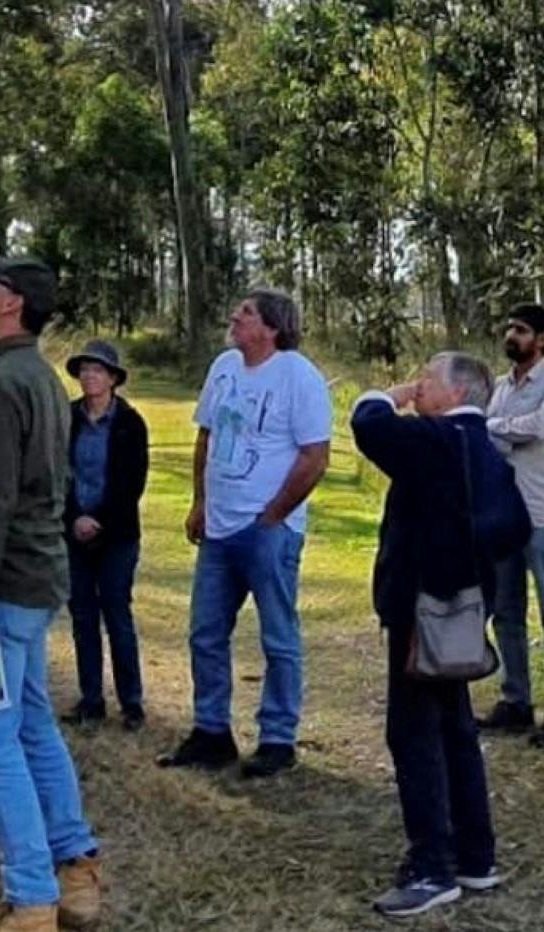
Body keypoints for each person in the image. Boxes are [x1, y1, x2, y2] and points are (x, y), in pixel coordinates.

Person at [0, 252, 101, 932]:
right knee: (30, 724)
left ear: (9, 304)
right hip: (34, 581)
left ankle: (31, 898)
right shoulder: (31, 375)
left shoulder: (3, 385)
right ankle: (76, 870)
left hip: (1, 588)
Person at [351, 352, 509, 919]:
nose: (420, 387)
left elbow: (367, 423)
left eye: (428, 379)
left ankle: (432, 867)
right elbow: (511, 527)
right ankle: (475, 855)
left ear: (458, 391)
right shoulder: (487, 450)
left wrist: (389, 394)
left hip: (422, 611)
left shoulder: (441, 440)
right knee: (455, 729)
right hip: (463, 613)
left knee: (414, 733)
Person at [158, 289, 332, 780]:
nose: (235, 317)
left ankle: (278, 738)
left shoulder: (299, 376)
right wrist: (199, 501)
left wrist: (274, 514)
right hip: (219, 527)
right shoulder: (224, 366)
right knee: (205, 633)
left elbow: (315, 457)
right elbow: (207, 436)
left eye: (247, 313)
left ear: (273, 328)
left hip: (268, 531)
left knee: (278, 637)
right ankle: (212, 731)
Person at [483, 304, 544, 745]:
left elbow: (538, 428)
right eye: (509, 327)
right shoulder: (501, 387)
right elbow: (494, 438)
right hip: (505, 514)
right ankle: (516, 701)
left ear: (541, 340)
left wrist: (495, 427)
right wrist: (502, 428)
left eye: (520, 330)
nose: (512, 335)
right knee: (506, 612)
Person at [61, 339, 150, 730]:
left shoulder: (130, 423)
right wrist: (74, 517)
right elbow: (57, 474)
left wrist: (98, 520)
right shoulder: (67, 419)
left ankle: (131, 702)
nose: (89, 377)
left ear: (113, 379)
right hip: (73, 532)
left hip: (116, 535)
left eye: (97, 371)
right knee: (82, 616)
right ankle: (91, 698)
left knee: (116, 613)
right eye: (84, 370)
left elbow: (131, 483)